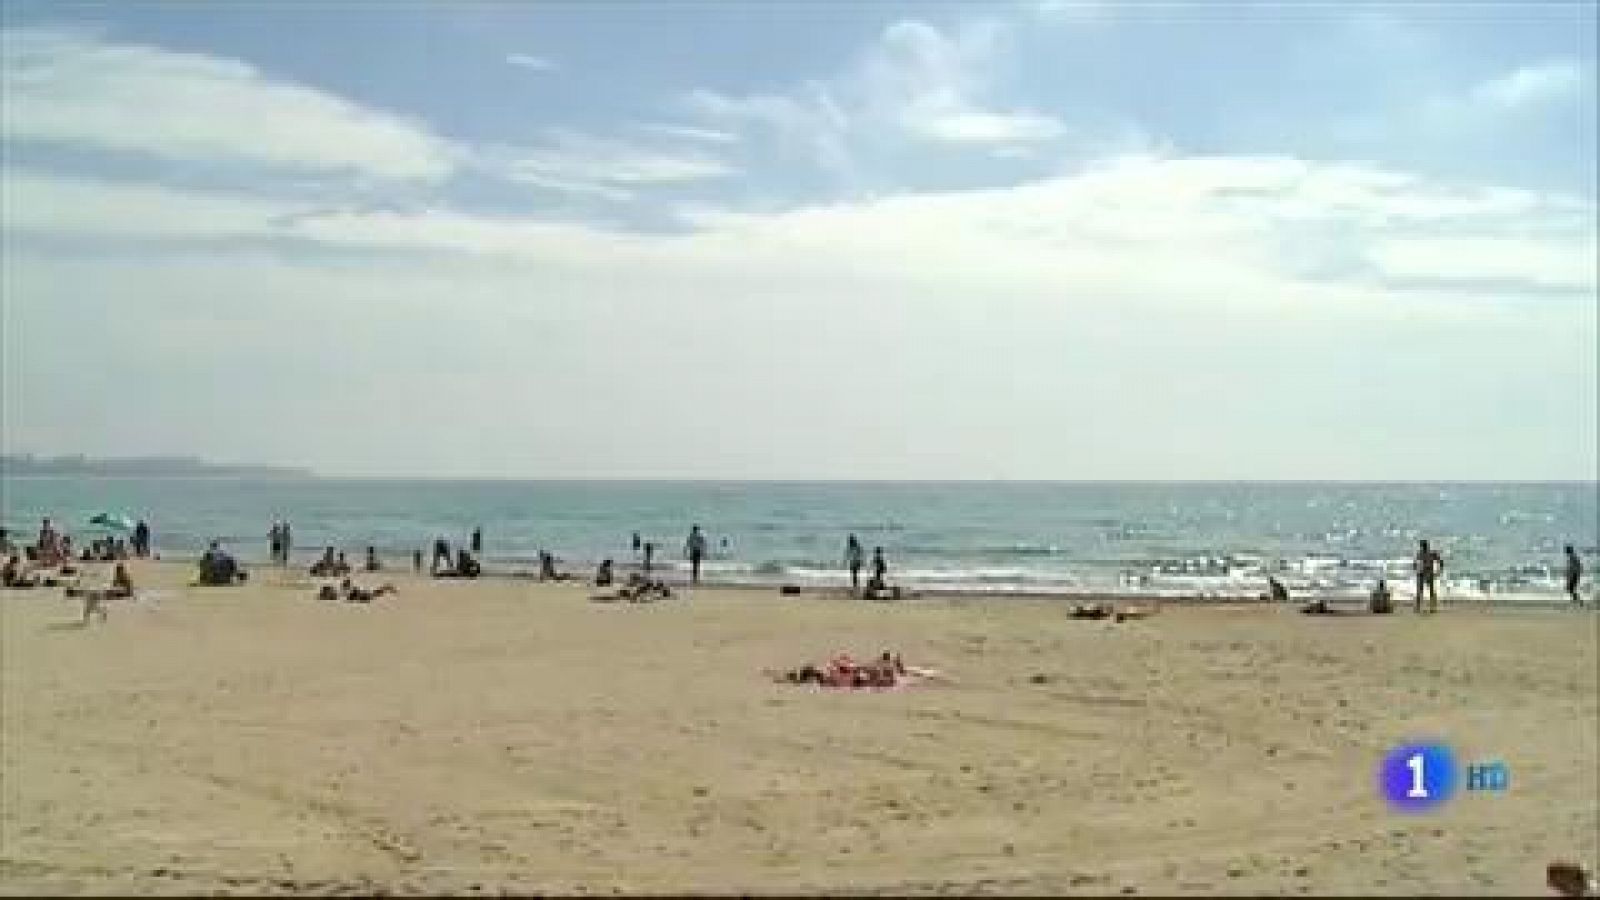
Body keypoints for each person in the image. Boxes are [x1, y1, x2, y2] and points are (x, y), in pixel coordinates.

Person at [1414, 539, 1443, 614]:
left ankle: (1432, 607)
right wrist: (1439, 570)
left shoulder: (1431, 553)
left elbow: (1440, 561)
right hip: (1423, 573)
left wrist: (1439, 570)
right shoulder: (1422, 553)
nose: (1423, 548)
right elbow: (1415, 564)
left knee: (1429, 591)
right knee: (1422, 591)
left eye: (1423, 546)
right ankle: (1420, 607)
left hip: (1427, 573)